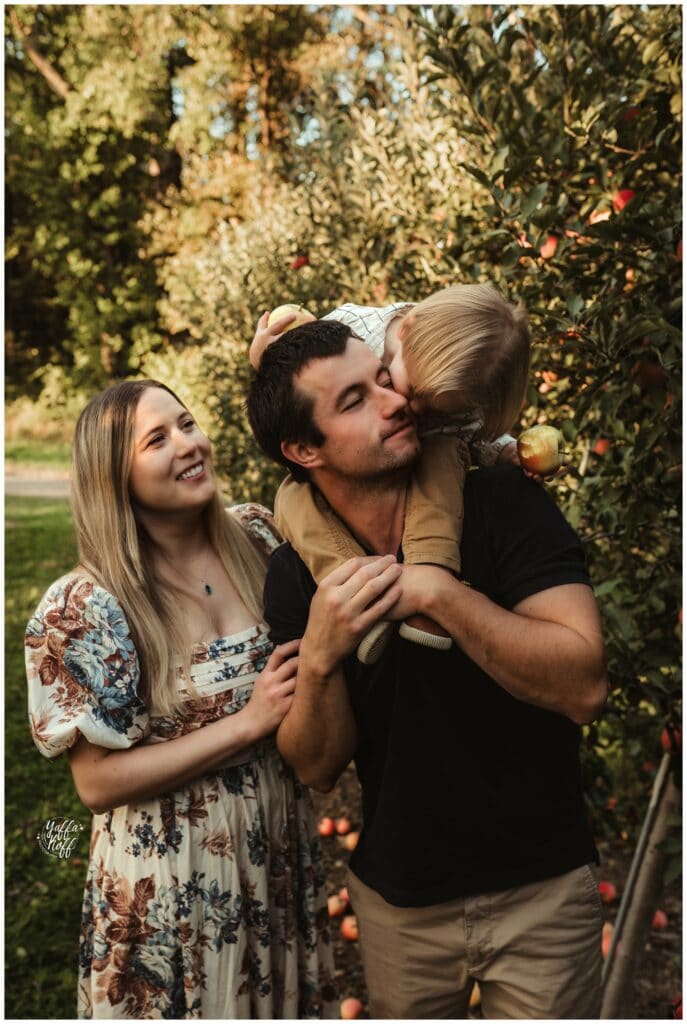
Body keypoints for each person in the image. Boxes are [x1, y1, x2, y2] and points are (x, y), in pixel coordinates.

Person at [246, 320, 609, 1020]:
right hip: (399, 906)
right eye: (352, 401)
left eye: (381, 378)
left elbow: (583, 685)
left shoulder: (503, 505)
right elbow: (316, 766)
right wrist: (319, 657)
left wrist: (438, 592)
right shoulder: (295, 577)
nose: (392, 401)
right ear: (301, 449)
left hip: (541, 887)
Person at [25, 380, 338, 1020]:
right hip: (171, 880)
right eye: (157, 439)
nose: (189, 444)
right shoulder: (86, 608)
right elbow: (97, 784)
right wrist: (247, 724)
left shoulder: (260, 538)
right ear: (115, 475)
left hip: (277, 849)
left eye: (188, 423)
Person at [249, 284, 530, 663]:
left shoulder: (462, 386)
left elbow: (478, 434)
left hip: (431, 458)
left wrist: (509, 451)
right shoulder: (352, 326)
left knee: (443, 459)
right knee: (291, 498)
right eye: (408, 388)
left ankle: (429, 582)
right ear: (406, 331)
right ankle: (359, 594)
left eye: (431, 407)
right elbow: (294, 379)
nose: (405, 404)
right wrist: (264, 354)